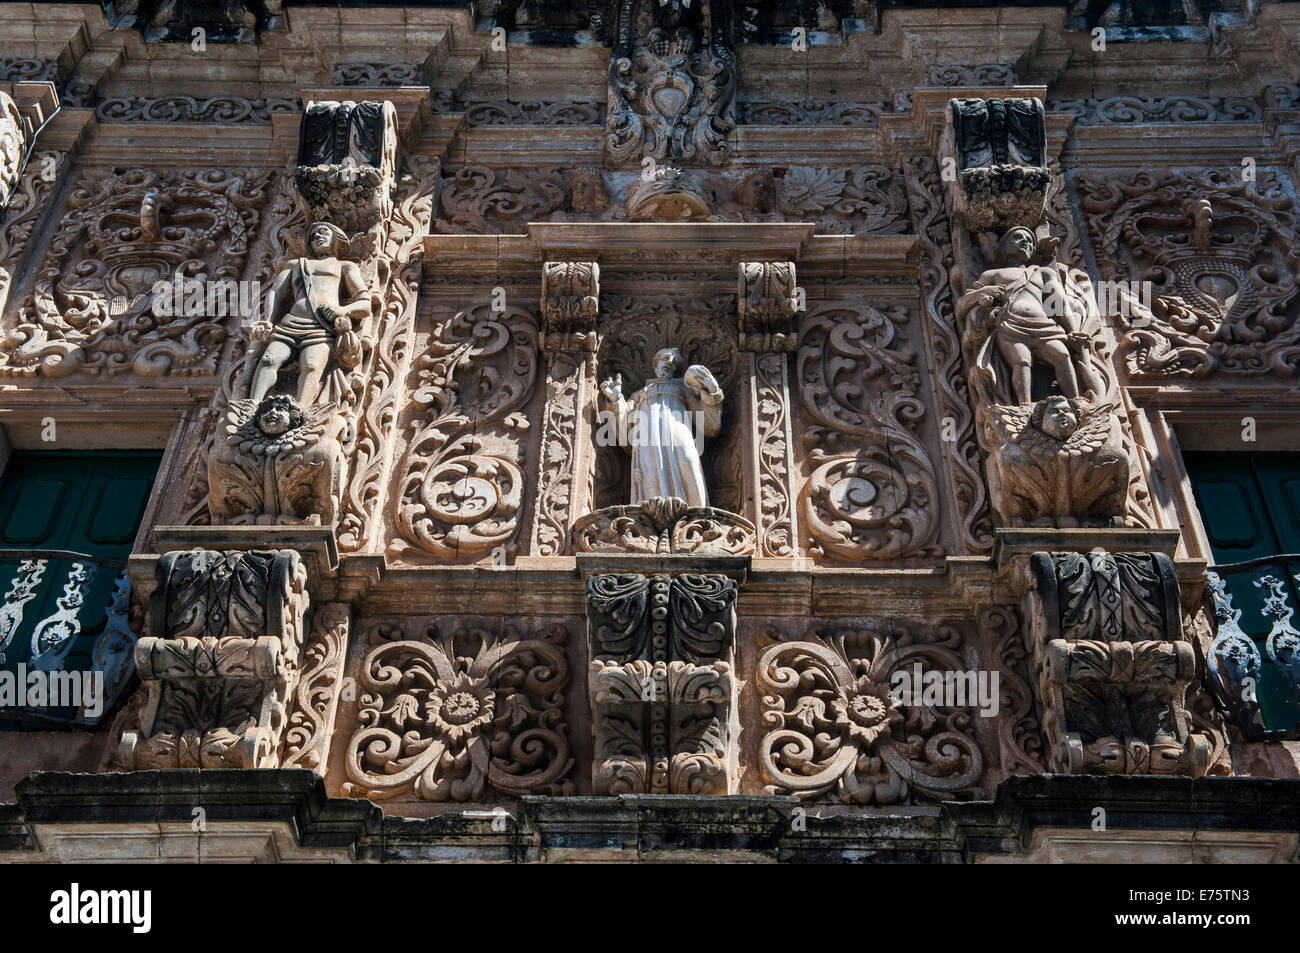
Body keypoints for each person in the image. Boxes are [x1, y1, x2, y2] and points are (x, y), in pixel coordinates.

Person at [250, 221, 370, 407]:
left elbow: (365, 304)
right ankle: (253, 404)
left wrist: (342, 310)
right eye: (313, 236)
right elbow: (276, 293)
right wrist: (267, 320)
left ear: (336, 238)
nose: (318, 237)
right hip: (290, 324)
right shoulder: (296, 265)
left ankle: (301, 410)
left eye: (323, 232)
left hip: (321, 328)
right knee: (268, 360)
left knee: (312, 366)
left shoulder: (345, 266)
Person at [599, 347, 723, 507]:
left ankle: (697, 512)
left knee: (688, 460)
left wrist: (712, 392)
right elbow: (624, 431)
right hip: (648, 441)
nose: (669, 363)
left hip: (679, 434)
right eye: (665, 358)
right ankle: (651, 513)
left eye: (674, 362)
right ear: (655, 364)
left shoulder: (683, 390)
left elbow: (709, 425)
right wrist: (616, 400)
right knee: (651, 472)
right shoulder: (639, 395)